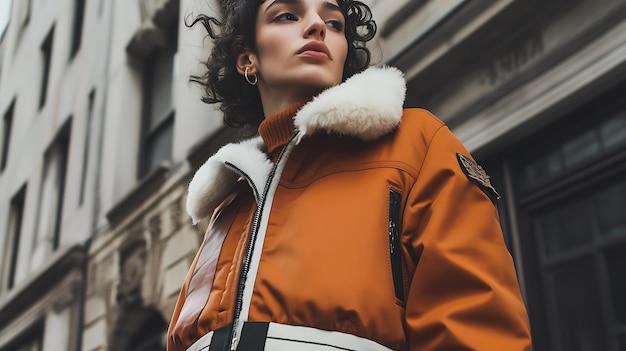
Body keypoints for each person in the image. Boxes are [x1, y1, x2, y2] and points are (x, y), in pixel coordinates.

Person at [167, 0, 532, 350]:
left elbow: (477, 330)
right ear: (247, 58)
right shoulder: (229, 198)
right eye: (286, 16)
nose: (316, 26)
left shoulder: (416, 144)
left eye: (334, 23)